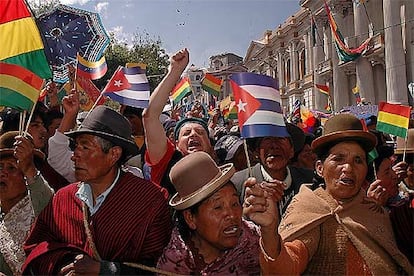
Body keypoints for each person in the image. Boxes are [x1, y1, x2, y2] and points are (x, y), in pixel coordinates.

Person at [244, 113, 413, 274]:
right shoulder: (309, 209)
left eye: (358, 160)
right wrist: (270, 232)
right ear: (319, 168)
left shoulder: (375, 211)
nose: (348, 168)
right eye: (338, 159)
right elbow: (287, 267)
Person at [22, 106, 172, 275]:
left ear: (114, 154)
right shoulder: (63, 198)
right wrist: (64, 264)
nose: (74, 155)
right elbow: (37, 247)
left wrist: (104, 270)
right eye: (76, 146)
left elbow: (161, 267)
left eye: (85, 147)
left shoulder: (150, 200)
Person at [157, 151, 261, 275]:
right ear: (190, 218)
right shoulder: (175, 266)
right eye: (218, 207)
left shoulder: (253, 239)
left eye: (234, 204)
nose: (232, 215)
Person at [143, 48, 214, 196]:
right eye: (186, 133)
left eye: (200, 132)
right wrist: (175, 71)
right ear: (175, 144)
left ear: (210, 144)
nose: (193, 135)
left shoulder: (222, 172)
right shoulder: (167, 162)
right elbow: (150, 116)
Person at [231, 123, 314, 218]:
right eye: (267, 139)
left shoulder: (310, 180)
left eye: (281, 138)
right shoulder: (238, 184)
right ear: (257, 152)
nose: (274, 146)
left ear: (292, 151)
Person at [0, 131, 54, 275]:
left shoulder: (38, 208)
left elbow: (49, 207)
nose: (2, 173)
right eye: (0, 167)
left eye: (11, 168)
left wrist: (29, 167)